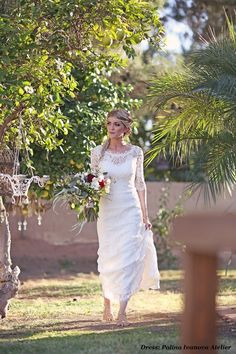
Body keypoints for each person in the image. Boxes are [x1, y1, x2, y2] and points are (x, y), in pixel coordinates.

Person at [90, 109, 160, 327]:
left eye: (117, 124)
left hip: (130, 209)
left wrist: (145, 215)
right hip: (108, 210)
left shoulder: (136, 152)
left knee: (129, 257)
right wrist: (89, 196)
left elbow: (140, 183)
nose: (112, 128)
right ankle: (107, 304)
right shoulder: (97, 153)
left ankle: (122, 311)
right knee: (109, 256)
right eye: (109, 123)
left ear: (126, 129)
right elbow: (91, 180)